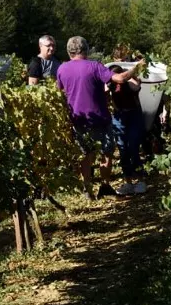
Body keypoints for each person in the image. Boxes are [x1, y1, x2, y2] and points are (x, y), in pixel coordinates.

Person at [55, 36, 143, 200]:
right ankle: (105, 185)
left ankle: (87, 190)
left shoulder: (61, 69)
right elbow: (120, 78)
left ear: (69, 51)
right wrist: (137, 68)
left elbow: (59, 92)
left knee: (86, 156)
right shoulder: (94, 66)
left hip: (77, 119)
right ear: (86, 50)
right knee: (106, 153)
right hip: (100, 118)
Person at [107, 64, 146, 196]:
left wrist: (130, 74)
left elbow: (137, 84)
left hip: (133, 116)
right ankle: (128, 182)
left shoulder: (130, 84)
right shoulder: (110, 85)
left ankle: (140, 180)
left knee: (133, 148)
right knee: (123, 150)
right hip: (119, 117)